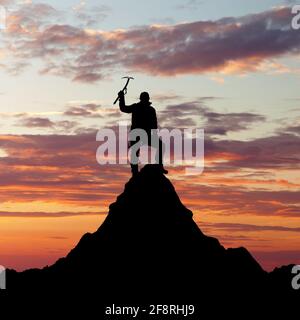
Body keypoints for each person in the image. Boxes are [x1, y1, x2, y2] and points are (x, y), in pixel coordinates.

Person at [118, 90, 168, 176]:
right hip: (136, 134)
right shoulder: (136, 107)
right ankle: (135, 172)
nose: (144, 100)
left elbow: (154, 124)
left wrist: (154, 135)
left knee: (160, 146)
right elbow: (123, 108)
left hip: (147, 135)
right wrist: (121, 97)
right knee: (135, 152)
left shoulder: (151, 110)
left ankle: (159, 166)